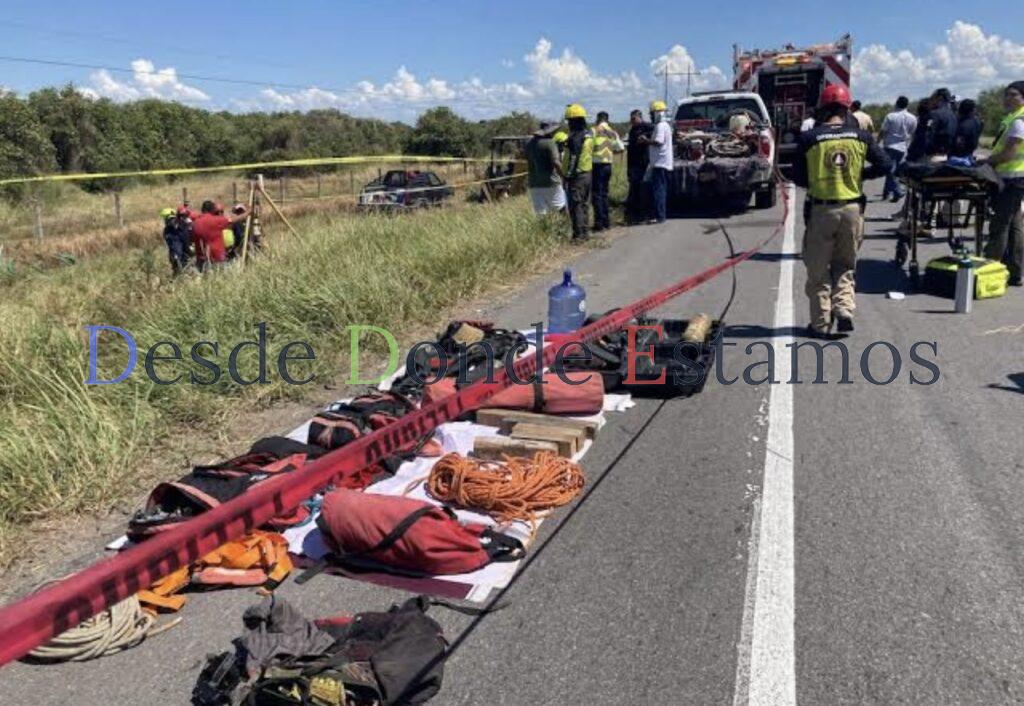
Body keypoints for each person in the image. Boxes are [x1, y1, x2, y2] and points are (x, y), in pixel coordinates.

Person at [793, 85, 891, 337]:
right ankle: (845, 309)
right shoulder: (861, 137)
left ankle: (821, 323)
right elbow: (886, 165)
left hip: (822, 211)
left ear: (822, 110)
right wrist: (860, 175)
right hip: (852, 209)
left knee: (818, 270)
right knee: (845, 265)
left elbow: (798, 177)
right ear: (847, 109)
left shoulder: (809, 139)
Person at [982, 81, 1024, 287]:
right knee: (1015, 225)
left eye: (1013, 94)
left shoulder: (1019, 120)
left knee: (1000, 225)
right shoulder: (1012, 118)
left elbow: (1009, 153)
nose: (1007, 98)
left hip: (1012, 179)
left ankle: (989, 270)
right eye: (1006, 94)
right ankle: (1015, 272)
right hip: (1011, 178)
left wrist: (987, 161)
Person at [562, 104, 595, 241]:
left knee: (576, 205)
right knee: (584, 204)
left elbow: (573, 158)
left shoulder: (575, 137)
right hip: (587, 173)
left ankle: (578, 235)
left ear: (574, 121)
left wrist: (568, 175)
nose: (568, 124)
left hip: (577, 175)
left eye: (569, 121)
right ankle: (585, 232)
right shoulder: (588, 134)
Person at [637, 99, 673, 223]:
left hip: (660, 163)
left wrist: (645, 140)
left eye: (652, 114)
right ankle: (658, 214)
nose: (651, 116)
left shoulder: (661, 126)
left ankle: (660, 216)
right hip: (659, 162)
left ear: (658, 113)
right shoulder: (664, 125)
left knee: (659, 190)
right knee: (658, 189)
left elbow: (658, 142)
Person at [191, 200, 249, 271]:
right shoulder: (216, 221)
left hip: (201, 260)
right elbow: (233, 220)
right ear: (212, 210)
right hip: (217, 258)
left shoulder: (195, 223)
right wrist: (247, 213)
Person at [879, 96, 917, 202]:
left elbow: (883, 131)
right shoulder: (912, 118)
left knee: (890, 170)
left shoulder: (891, 116)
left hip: (890, 145)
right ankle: (886, 193)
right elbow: (913, 133)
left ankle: (897, 191)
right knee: (894, 171)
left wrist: (877, 142)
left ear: (896, 103)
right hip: (903, 146)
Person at [590, 111, 624, 232]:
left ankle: (599, 224)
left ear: (598, 119)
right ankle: (606, 222)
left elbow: (588, 146)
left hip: (596, 165)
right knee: (604, 194)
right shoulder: (612, 132)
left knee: (596, 195)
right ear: (607, 119)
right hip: (607, 165)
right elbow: (620, 147)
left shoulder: (594, 130)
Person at [524, 121, 566, 216]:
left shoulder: (529, 144)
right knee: (561, 207)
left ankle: (543, 230)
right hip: (551, 182)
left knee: (541, 213)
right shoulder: (550, 143)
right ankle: (564, 228)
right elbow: (555, 162)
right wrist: (564, 176)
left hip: (534, 183)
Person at [626, 109, 652, 224]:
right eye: (631, 119)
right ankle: (635, 215)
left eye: (634, 118)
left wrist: (645, 139)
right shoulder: (632, 130)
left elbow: (654, 138)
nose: (632, 121)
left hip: (644, 163)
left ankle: (644, 214)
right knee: (634, 190)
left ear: (640, 117)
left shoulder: (647, 127)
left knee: (643, 190)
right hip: (633, 163)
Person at [926, 88, 957, 157]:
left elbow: (928, 132)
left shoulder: (933, 114)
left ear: (940, 98)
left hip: (934, 154)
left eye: (934, 97)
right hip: (948, 154)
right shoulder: (953, 115)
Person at [160, 207, 190, 275]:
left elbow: (185, 240)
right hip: (177, 256)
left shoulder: (182, 226)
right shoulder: (168, 230)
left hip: (182, 256)